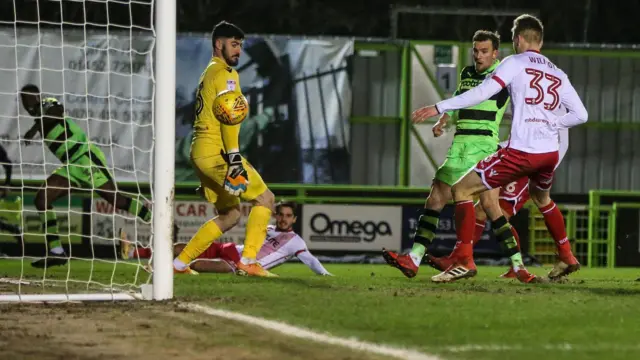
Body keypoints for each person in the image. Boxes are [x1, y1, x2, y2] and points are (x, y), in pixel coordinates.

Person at [411, 14, 588, 283]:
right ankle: (566, 255)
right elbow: (581, 115)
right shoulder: (557, 72)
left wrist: (440, 106)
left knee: (461, 189)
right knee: (542, 200)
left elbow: (482, 93)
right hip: (549, 153)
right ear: (540, 40)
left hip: (522, 152)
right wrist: (552, 123)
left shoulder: (514, 62)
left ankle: (464, 260)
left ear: (517, 39)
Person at [382, 30, 510, 279]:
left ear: (496, 53)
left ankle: (462, 258)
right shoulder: (466, 73)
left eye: (484, 51)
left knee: (477, 203)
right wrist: (445, 118)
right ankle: (416, 258)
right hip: (461, 144)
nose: (478, 55)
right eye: (475, 50)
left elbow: (477, 97)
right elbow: (459, 97)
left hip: (482, 146)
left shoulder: (502, 76)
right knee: (442, 198)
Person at [172, 21, 277, 277]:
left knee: (230, 215)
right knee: (266, 199)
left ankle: (178, 264)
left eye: (240, 45)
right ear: (218, 45)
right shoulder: (227, 74)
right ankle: (249, 260)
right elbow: (229, 118)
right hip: (217, 153)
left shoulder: (208, 72)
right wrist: (234, 160)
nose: (238, 50)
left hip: (200, 153)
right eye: (233, 44)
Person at [20, 85, 153, 268]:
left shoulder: (47, 103)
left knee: (116, 200)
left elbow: (57, 112)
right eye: (23, 100)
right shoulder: (38, 118)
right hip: (70, 166)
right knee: (41, 199)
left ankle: (154, 219)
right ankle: (56, 252)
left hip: (85, 158)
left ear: (37, 97)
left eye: (28, 98)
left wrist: (35, 128)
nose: (26, 103)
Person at [427, 128, 581, 280]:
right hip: (520, 158)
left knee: (499, 211)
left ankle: (537, 261)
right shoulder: (533, 107)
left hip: (528, 163)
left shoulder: (550, 106)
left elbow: (562, 136)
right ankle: (462, 258)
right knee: (482, 209)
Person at [124, 201, 332, 276]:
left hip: (238, 264)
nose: (284, 219)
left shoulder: (296, 241)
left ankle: (159, 269)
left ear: (294, 219)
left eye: (289, 216)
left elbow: (311, 260)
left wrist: (324, 274)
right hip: (233, 249)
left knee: (198, 264)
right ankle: (133, 252)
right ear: (276, 215)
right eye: (281, 215)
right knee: (183, 247)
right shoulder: (266, 228)